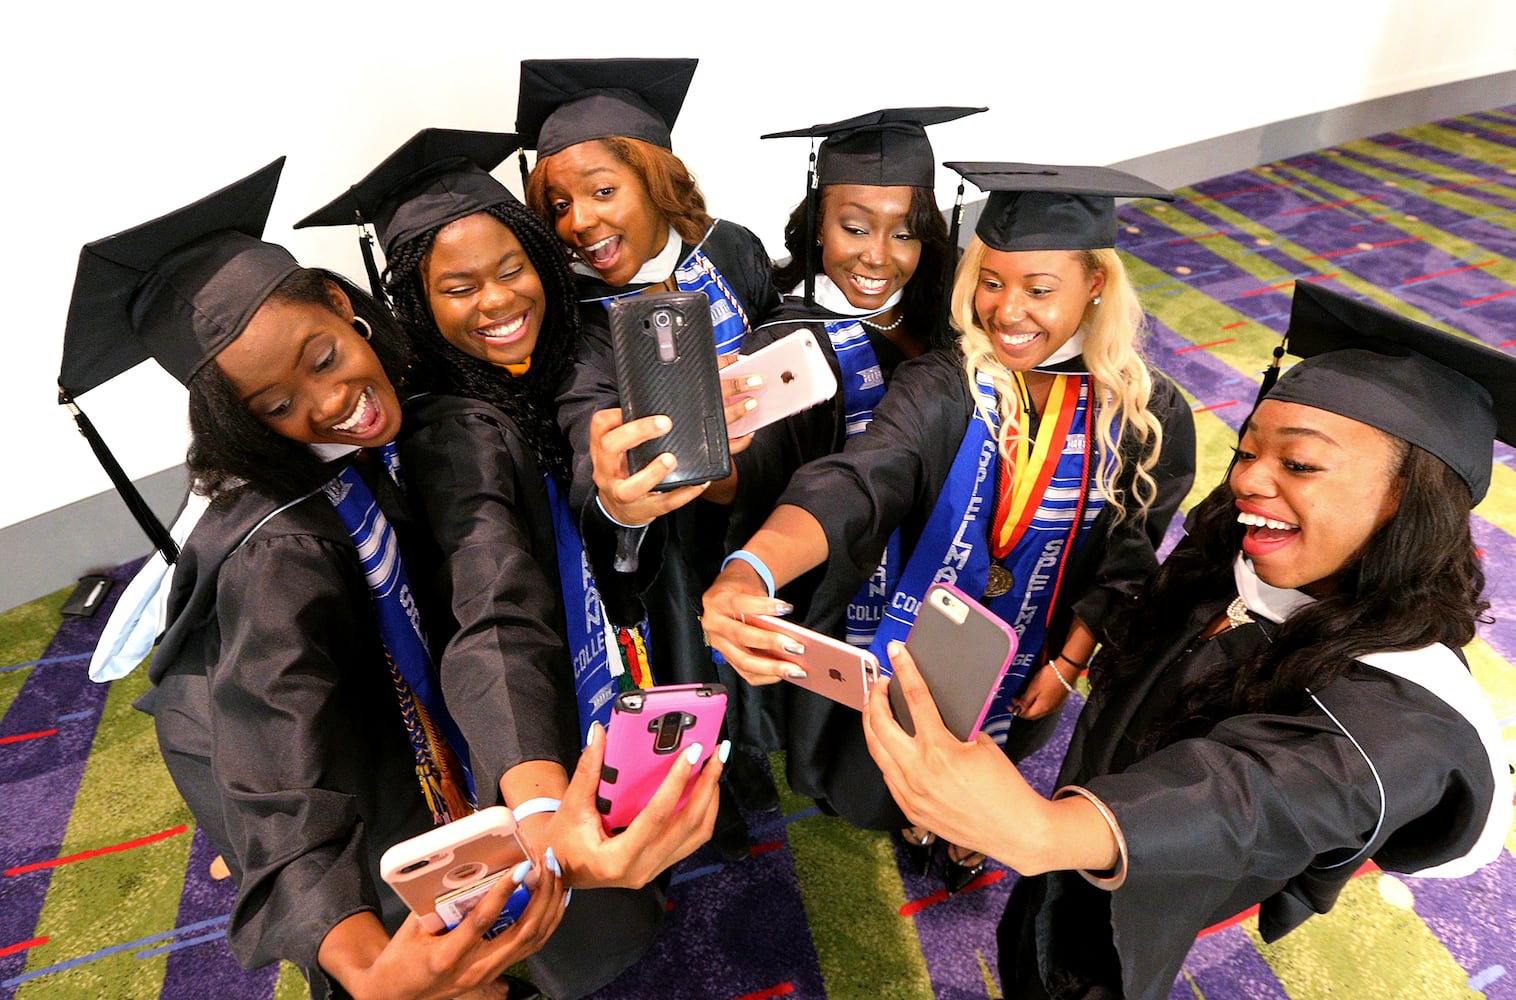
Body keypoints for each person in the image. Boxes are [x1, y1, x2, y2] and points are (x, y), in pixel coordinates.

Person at [870, 280, 1515, 998]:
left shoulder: (1400, 722)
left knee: (1079, 967)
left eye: (1299, 464)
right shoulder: (1242, 552)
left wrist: (1047, 832)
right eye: (1246, 451)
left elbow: (1254, 798)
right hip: (1094, 789)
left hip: (1146, 868)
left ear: (1408, 501)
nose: (1246, 481)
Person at [59, 159, 585, 999]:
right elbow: (281, 744)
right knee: (367, 892)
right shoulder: (277, 549)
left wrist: (536, 798)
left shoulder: (425, 420)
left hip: (363, 663)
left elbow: (489, 600)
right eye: (274, 405)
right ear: (243, 421)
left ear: (345, 307)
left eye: (324, 354)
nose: (331, 401)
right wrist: (362, 968)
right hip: (249, 720)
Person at [296, 129, 727, 998]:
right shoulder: (442, 425)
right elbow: (489, 596)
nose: (496, 301)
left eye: (512, 268)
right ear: (416, 302)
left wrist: (616, 499)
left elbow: (588, 430)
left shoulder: (581, 343)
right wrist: (534, 802)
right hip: (525, 666)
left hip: (607, 624)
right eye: (458, 287)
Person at [702, 164, 1197, 891]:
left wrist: (1068, 664)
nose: (1008, 312)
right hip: (914, 642)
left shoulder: (1150, 414)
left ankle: (963, 828)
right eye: (991, 282)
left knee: (994, 759)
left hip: (1033, 652)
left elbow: (1129, 557)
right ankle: (916, 818)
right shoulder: (945, 383)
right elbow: (858, 479)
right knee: (893, 768)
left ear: (1096, 283)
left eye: (1038, 288)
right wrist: (755, 568)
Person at [518, 57, 783, 830]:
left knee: (761, 650)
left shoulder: (729, 250)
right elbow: (584, 432)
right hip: (672, 542)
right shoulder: (580, 319)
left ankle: (760, 751)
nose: (580, 222)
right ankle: (712, 791)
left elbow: (772, 328)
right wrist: (614, 490)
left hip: (763, 508)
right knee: (689, 668)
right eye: (560, 204)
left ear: (655, 178)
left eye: (603, 190)